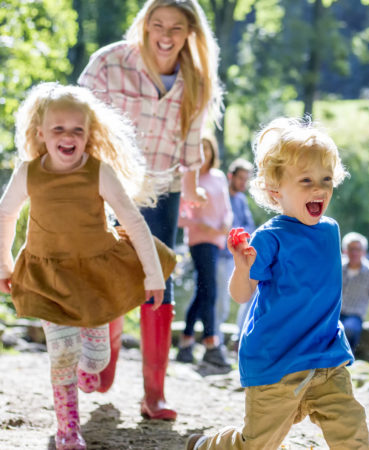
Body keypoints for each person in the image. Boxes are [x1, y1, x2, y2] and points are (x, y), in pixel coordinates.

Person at [0, 83, 175, 450]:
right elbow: (5, 214)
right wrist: (4, 265)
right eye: (58, 129)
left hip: (94, 278)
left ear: (88, 134)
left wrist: (153, 276)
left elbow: (133, 221)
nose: (68, 137)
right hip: (48, 276)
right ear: (41, 134)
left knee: (94, 363)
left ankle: (90, 366)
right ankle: (67, 430)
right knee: (61, 354)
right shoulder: (29, 172)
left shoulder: (98, 171)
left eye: (77, 130)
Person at [186, 117, 369, 450]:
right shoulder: (269, 238)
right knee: (256, 445)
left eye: (326, 179)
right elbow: (241, 295)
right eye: (306, 180)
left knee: (351, 429)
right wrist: (243, 268)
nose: (319, 188)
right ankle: (209, 446)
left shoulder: (331, 230)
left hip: (326, 357)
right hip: (276, 361)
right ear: (276, 191)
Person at [78, 0, 222, 420]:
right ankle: (104, 363)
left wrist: (192, 187)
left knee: (158, 275)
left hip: (163, 187)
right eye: (157, 24)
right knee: (110, 272)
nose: (165, 34)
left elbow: (192, 139)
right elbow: (76, 116)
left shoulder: (195, 76)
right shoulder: (110, 63)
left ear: (190, 32)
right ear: (143, 24)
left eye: (176, 27)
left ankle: (153, 395)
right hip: (109, 184)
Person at [176, 135, 233, 367]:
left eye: (208, 148)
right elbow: (178, 217)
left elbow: (227, 209)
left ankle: (186, 342)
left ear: (213, 152)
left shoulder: (218, 177)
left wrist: (226, 225)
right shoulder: (189, 178)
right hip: (200, 240)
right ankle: (211, 344)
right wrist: (198, 224)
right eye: (201, 149)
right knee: (210, 290)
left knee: (204, 291)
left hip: (217, 239)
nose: (205, 153)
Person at [214, 157, 255, 347]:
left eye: (246, 179)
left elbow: (249, 225)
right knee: (221, 302)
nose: (243, 183)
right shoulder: (220, 196)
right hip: (221, 255)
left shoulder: (241, 200)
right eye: (240, 178)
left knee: (249, 296)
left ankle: (239, 338)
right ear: (231, 176)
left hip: (238, 255)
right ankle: (217, 343)